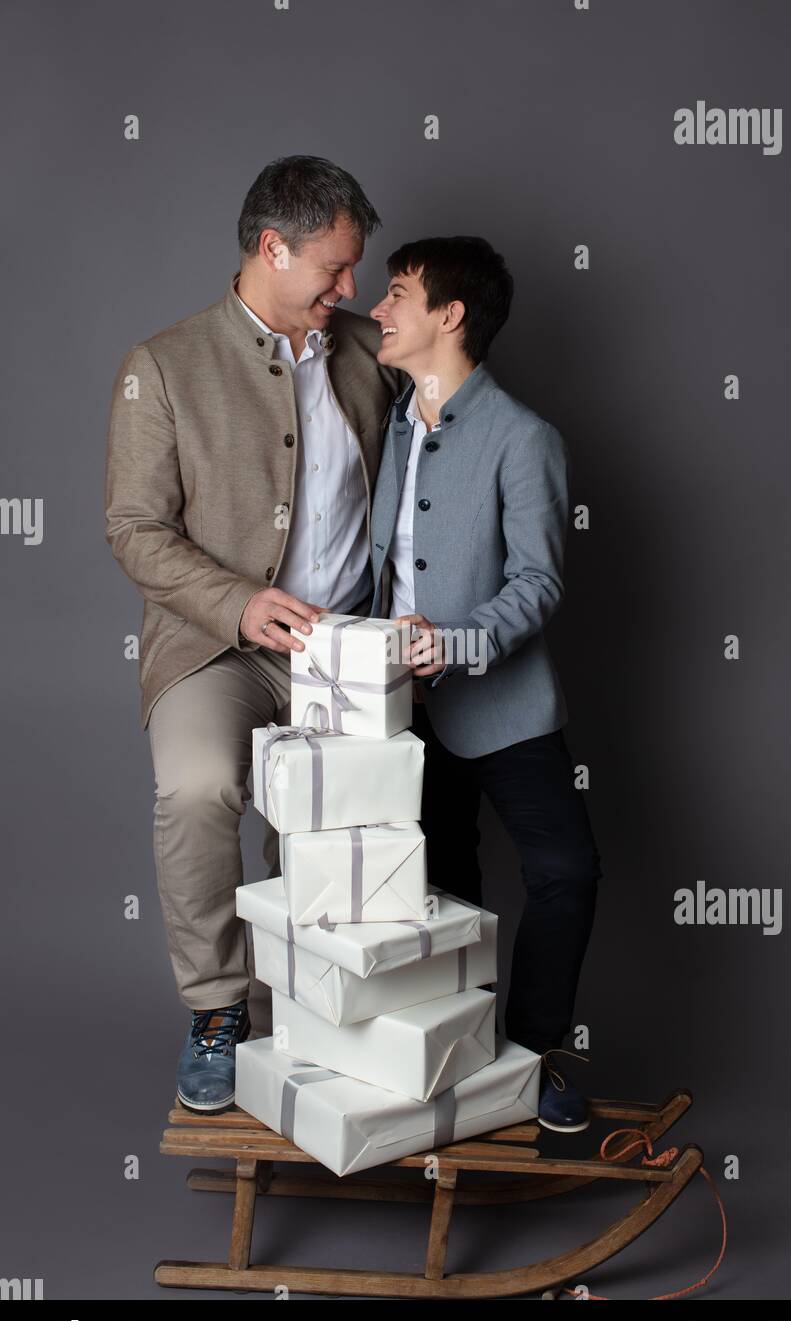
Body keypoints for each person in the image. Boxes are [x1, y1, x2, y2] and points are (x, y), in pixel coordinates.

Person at [105, 155, 406, 1111]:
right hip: (217, 649)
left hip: (347, 653)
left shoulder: (370, 353)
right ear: (272, 249)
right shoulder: (161, 365)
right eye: (335, 268)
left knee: (348, 825)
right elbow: (133, 530)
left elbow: (442, 459)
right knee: (199, 786)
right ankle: (218, 1010)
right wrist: (238, 602)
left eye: (358, 272)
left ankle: (319, 1013)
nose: (352, 289)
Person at [368, 236, 603, 1131]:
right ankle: (458, 1070)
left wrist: (461, 644)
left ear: (449, 315)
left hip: (503, 707)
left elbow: (539, 582)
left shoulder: (524, 436)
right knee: (441, 894)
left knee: (565, 872)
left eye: (396, 294)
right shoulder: (393, 422)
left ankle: (541, 1054)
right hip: (399, 715)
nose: (378, 311)